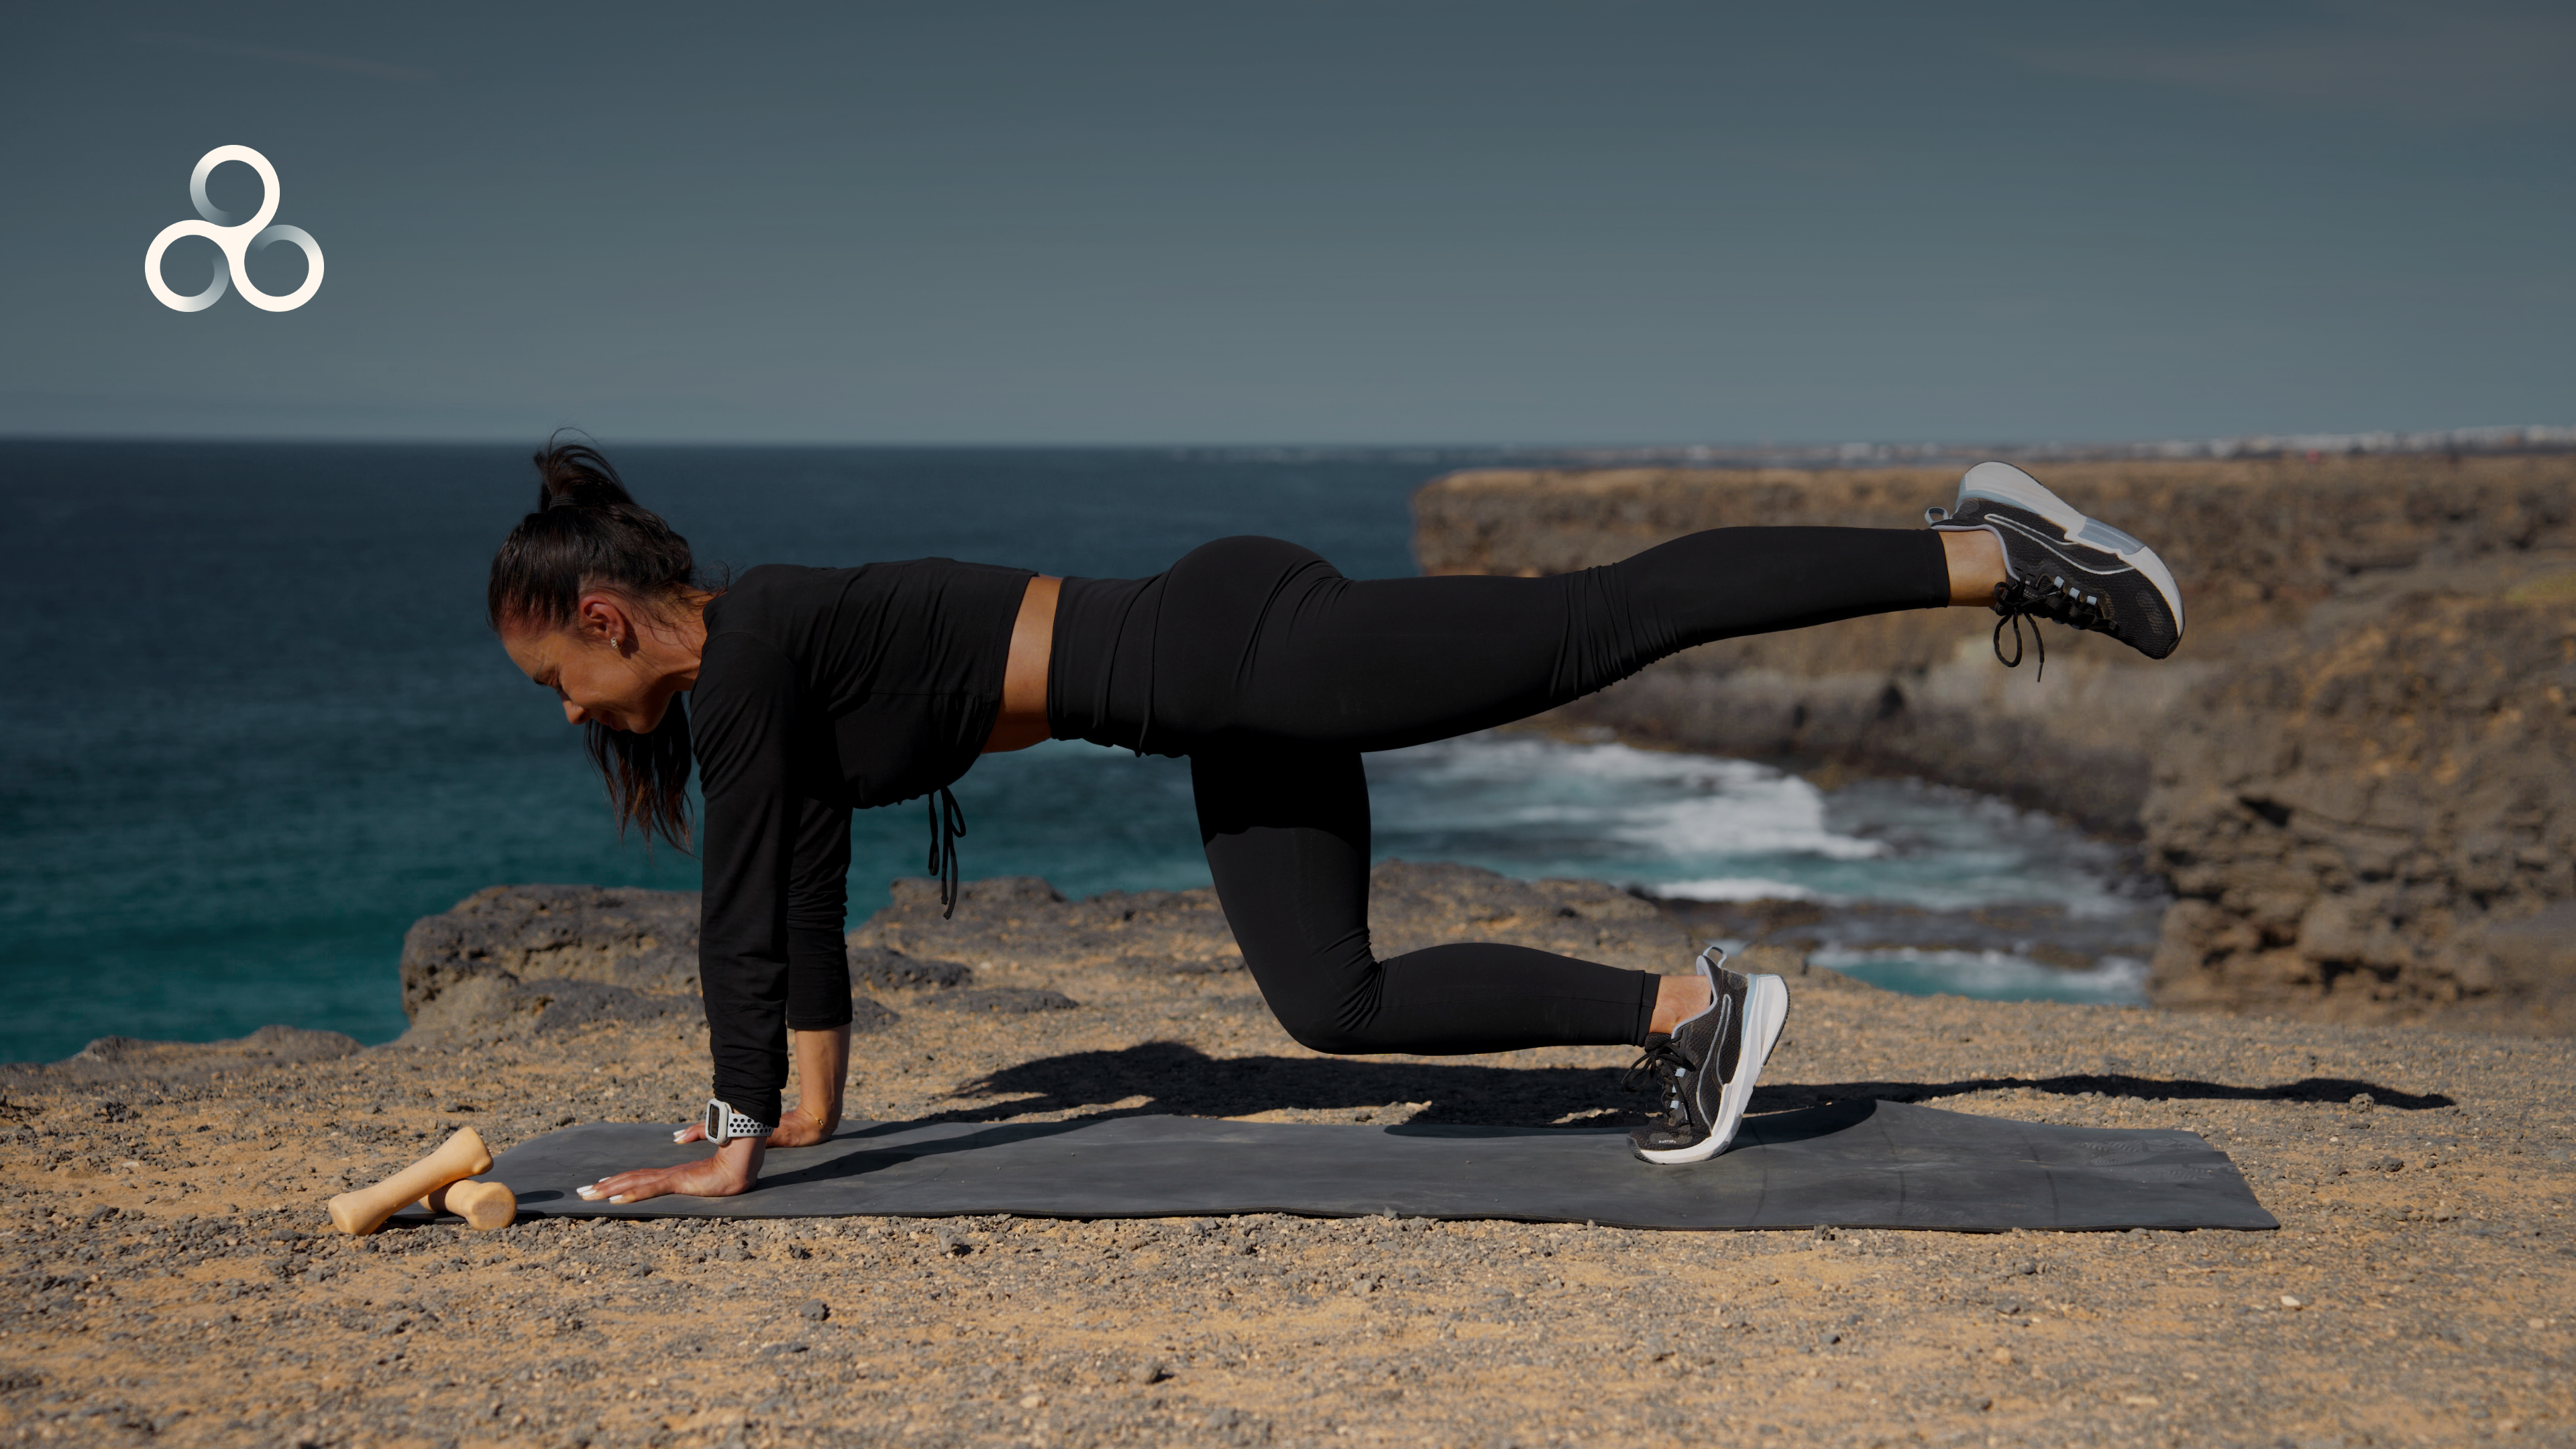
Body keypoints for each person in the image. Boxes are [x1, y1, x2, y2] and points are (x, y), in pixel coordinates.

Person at [484, 442, 2183, 1201]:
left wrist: (732, 1134)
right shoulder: (761, 676)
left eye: (555, 674)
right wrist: (811, 1118)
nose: (564, 711)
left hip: (1244, 654)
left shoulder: (755, 645)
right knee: (1333, 1006)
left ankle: (1997, 555)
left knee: (1601, 617)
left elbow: (733, 914)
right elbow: (796, 889)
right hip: (1220, 699)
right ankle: (1692, 1012)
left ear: (614, 622)